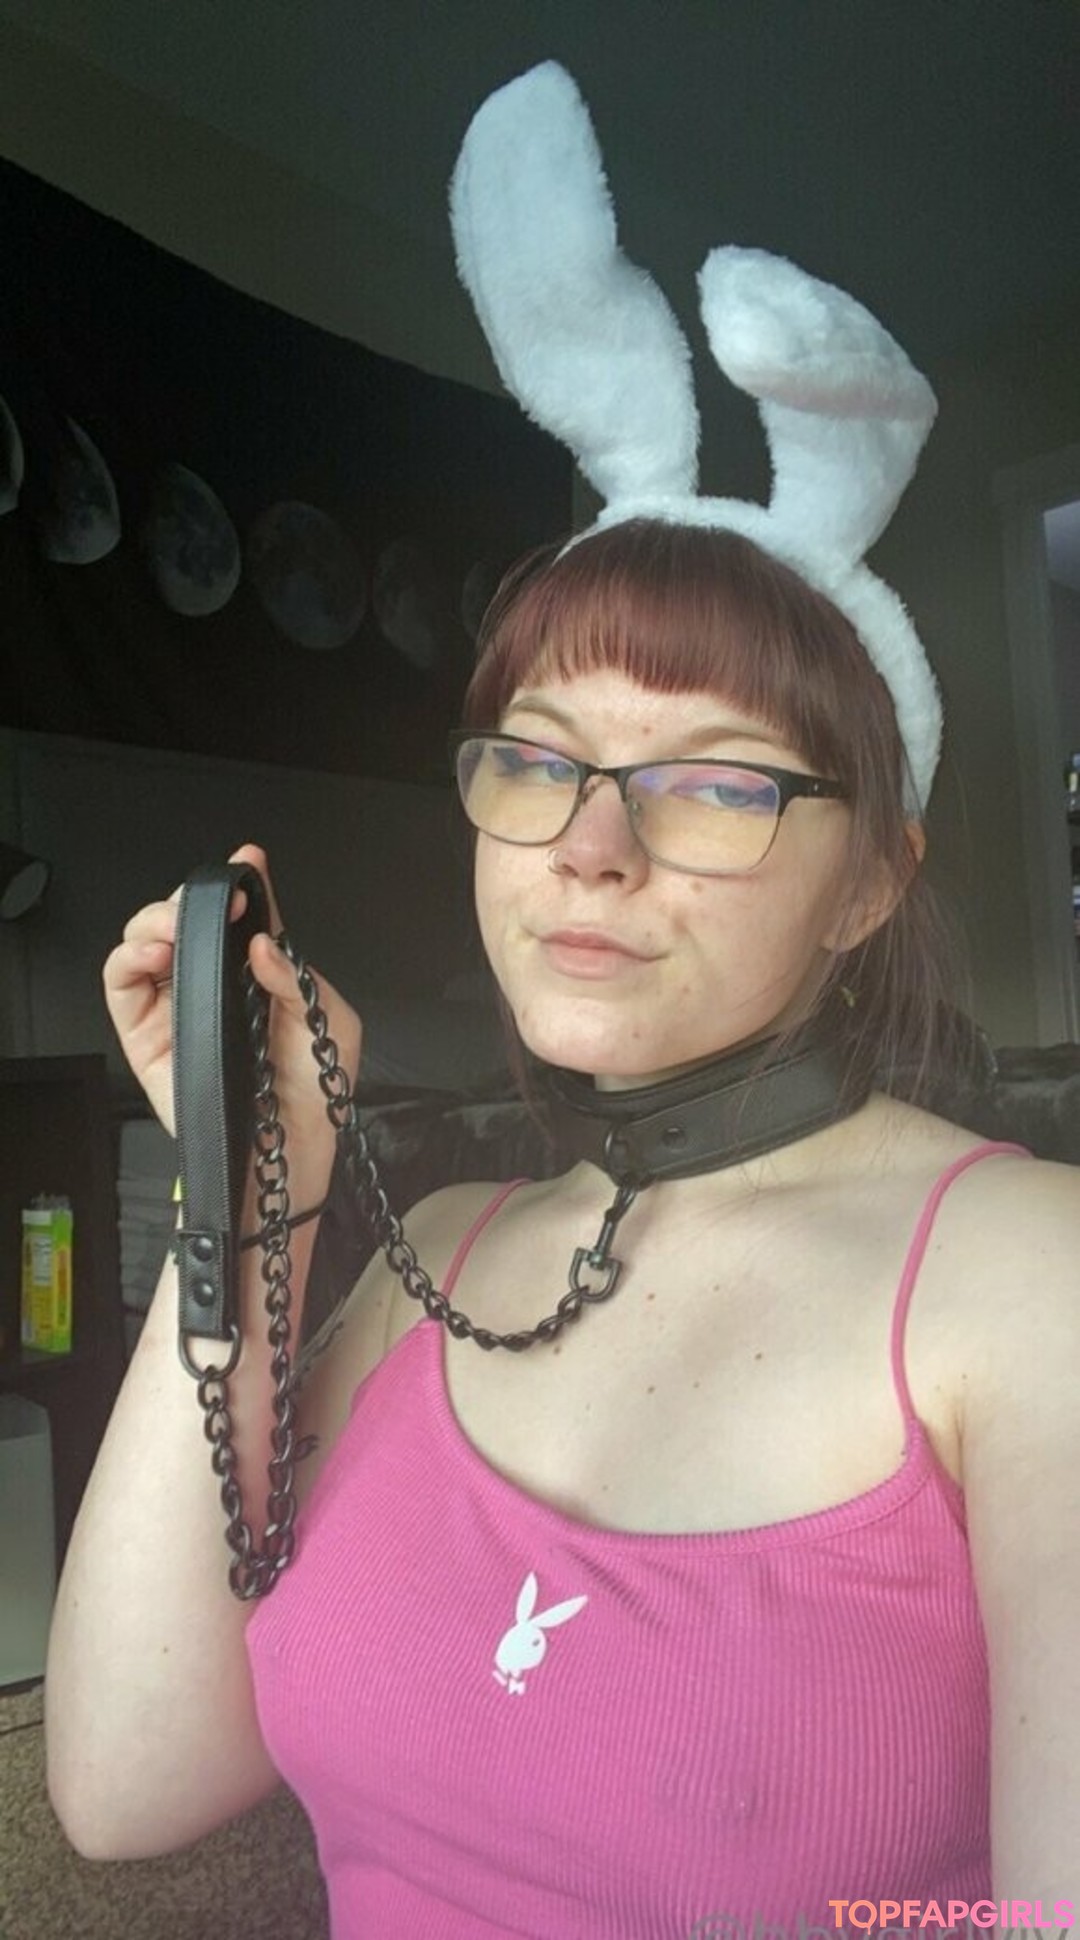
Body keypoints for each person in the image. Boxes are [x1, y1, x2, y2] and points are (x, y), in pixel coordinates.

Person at [46, 63, 1078, 1940]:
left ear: (870, 882)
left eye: (714, 782)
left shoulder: (1032, 1282)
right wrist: (250, 1189)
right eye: (537, 758)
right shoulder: (432, 1253)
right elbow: (127, 1781)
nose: (591, 847)